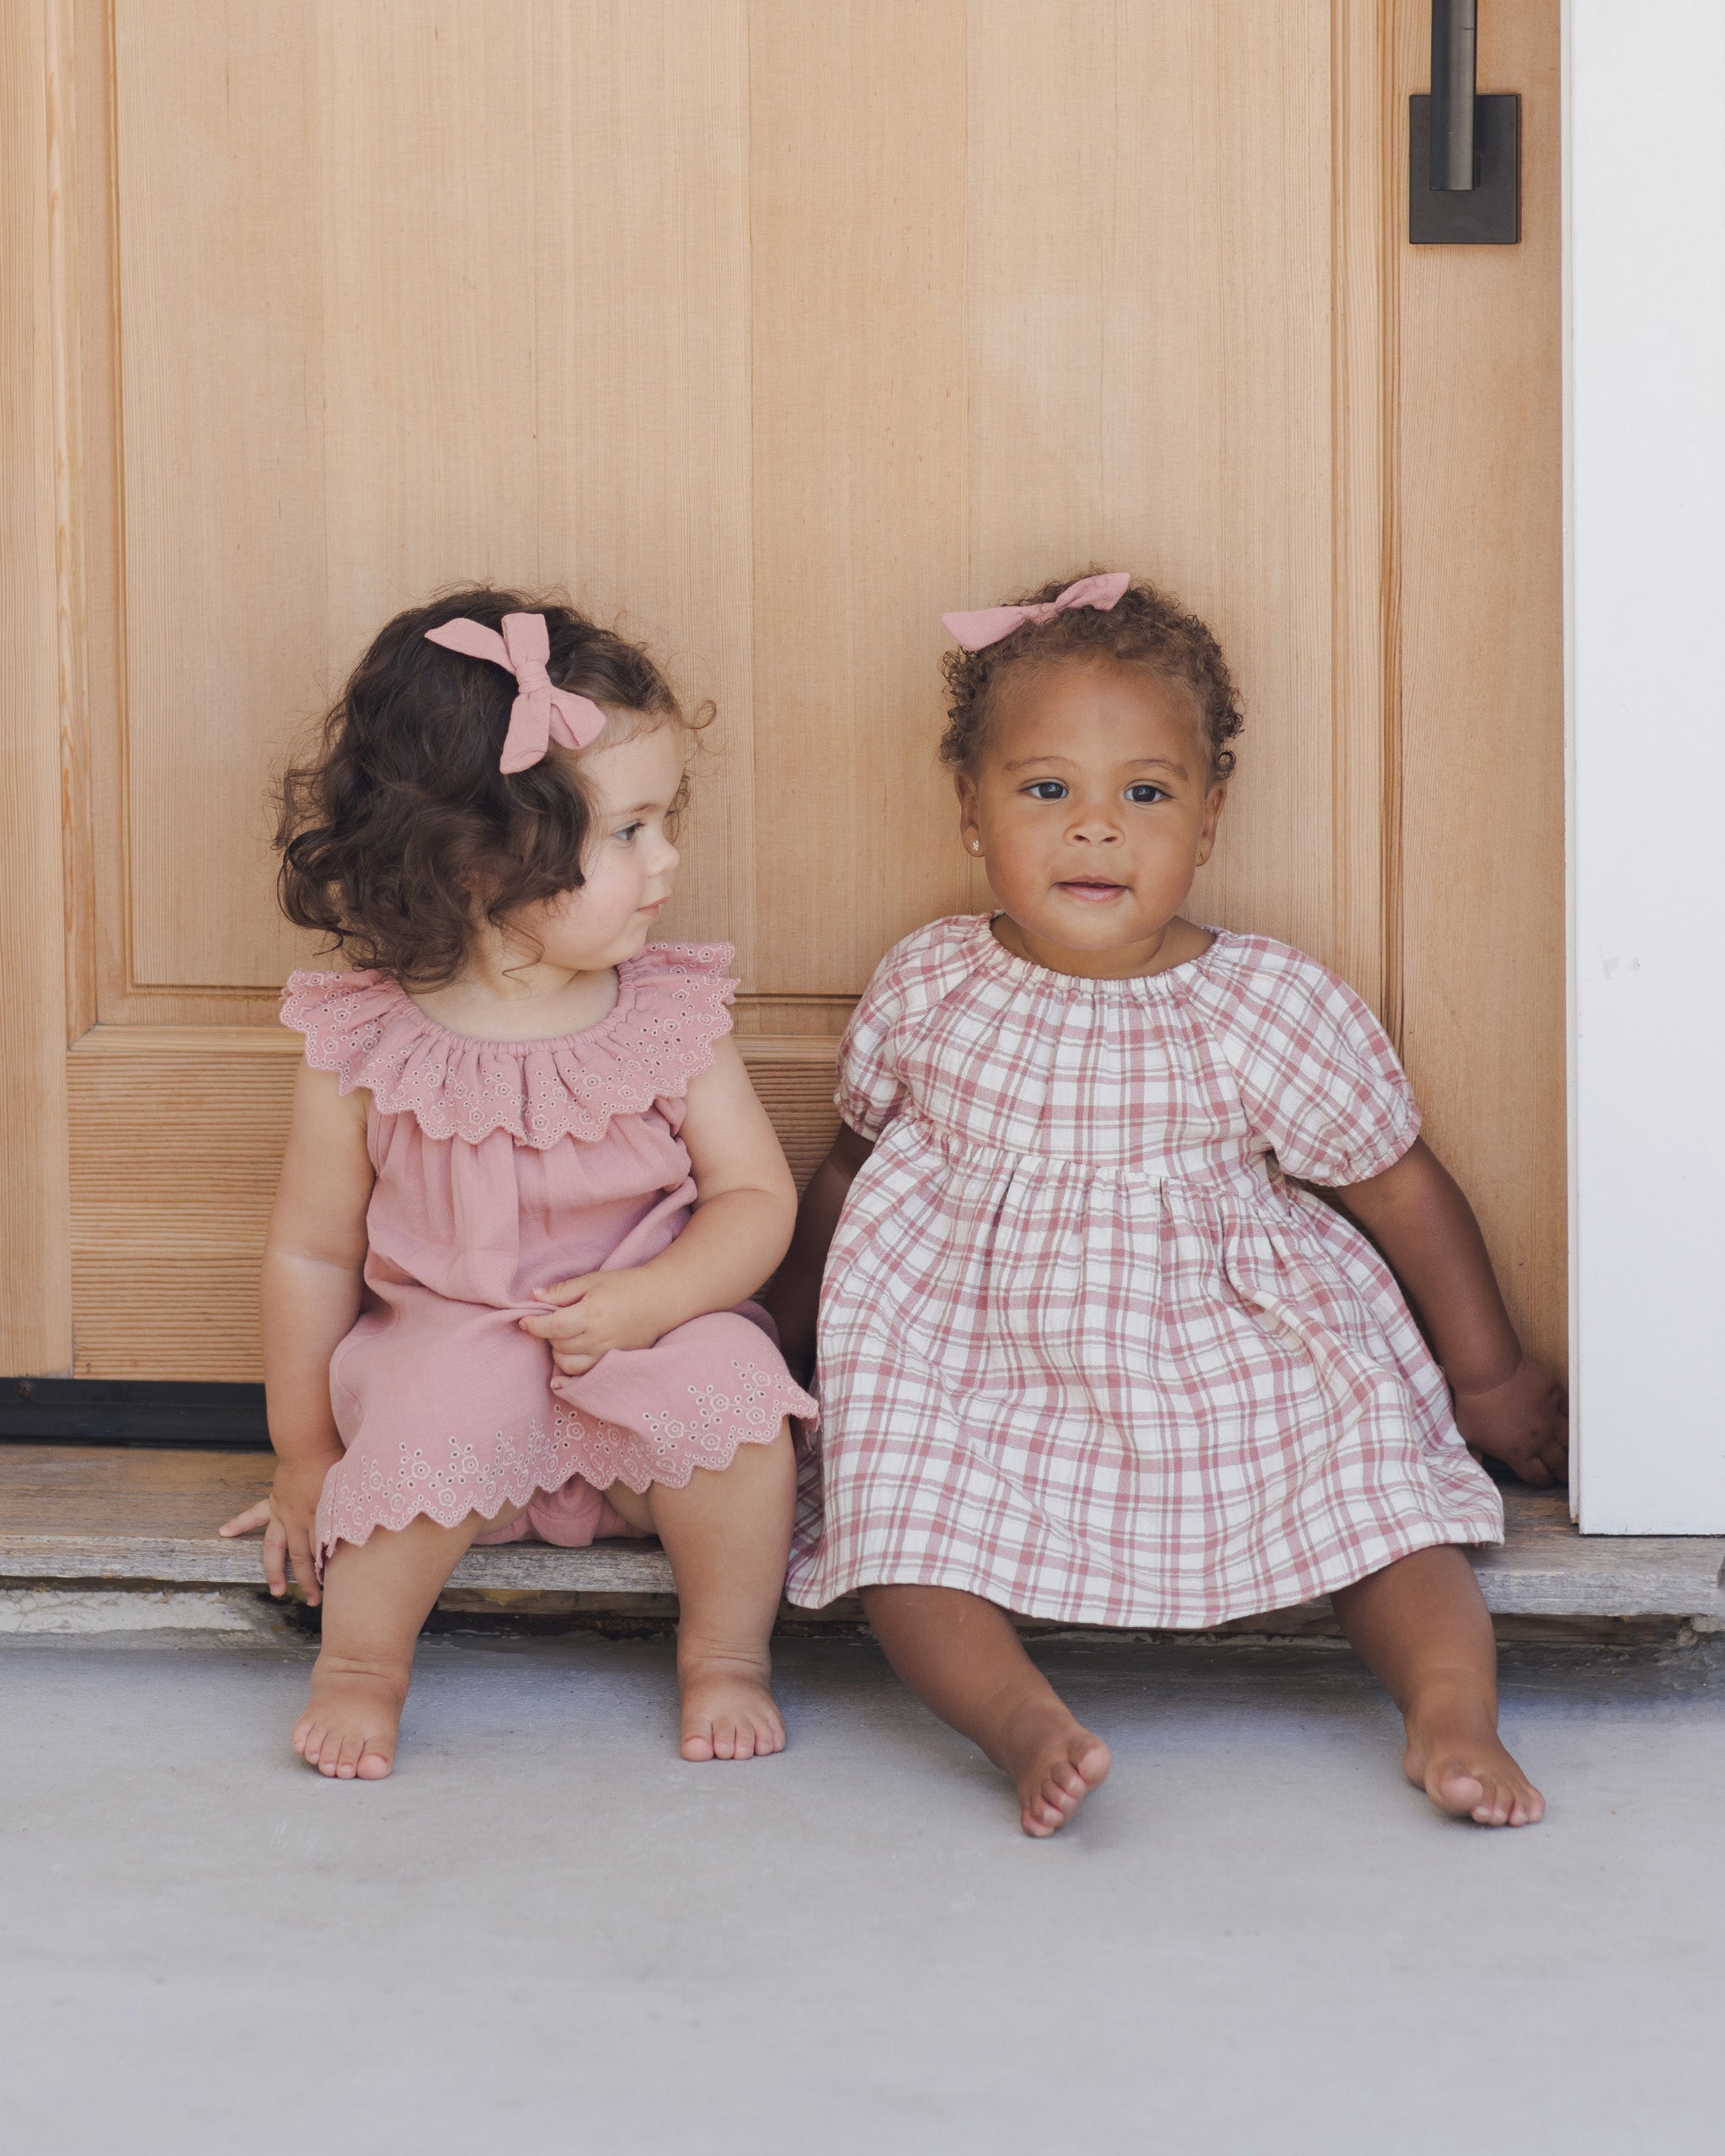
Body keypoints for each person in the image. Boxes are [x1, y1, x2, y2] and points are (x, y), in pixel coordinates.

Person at [769, 571, 1567, 1837]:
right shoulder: (928, 982)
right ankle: (1021, 1722)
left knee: (1380, 1504)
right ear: (969, 811)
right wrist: (783, 1335)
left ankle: (1450, 1710)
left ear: (1208, 818)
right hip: (972, 1354)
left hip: (1222, 1347)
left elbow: (1397, 1185)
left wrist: (1488, 1375)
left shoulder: (1264, 1003)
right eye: (1047, 791)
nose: (1097, 831)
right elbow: (848, 1173)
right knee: (898, 1531)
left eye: (1145, 793)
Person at [222, 590, 814, 1779]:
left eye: (665, 820)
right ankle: (361, 1666)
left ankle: (727, 1653)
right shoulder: (365, 1044)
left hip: (642, 1350)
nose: (669, 860)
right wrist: (302, 1454)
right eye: (630, 831)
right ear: (481, 857)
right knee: (426, 1426)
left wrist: (654, 1300)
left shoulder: (671, 1015)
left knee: (746, 1413)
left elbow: (756, 1198)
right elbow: (311, 1252)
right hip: (451, 1348)